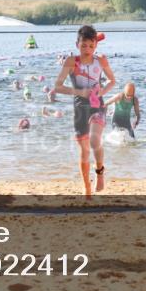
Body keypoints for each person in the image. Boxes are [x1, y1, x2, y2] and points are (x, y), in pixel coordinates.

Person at [54, 25, 116, 198]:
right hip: (80, 107)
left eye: (90, 45)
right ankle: (86, 187)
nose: (87, 49)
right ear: (77, 44)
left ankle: (100, 172)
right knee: (84, 150)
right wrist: (80, 92)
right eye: (83, 46)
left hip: (97, 105)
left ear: (95, 45)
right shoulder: (71, 62)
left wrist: (102, 92)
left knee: (95, 140)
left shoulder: (101, 60)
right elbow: (58, 87)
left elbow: (112, 81)